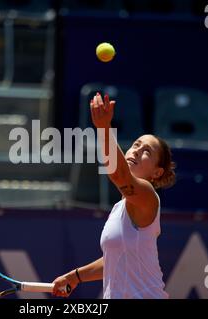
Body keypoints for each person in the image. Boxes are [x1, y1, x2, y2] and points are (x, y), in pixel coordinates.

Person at [52, 92, 176, 299]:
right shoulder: (120, 207)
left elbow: (120, 175)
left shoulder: (147, 195)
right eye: (136, 145)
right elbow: (115, 259)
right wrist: (74, 276)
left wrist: (103, 128)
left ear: (157, 172)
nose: (136, 151)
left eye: (147, 151)